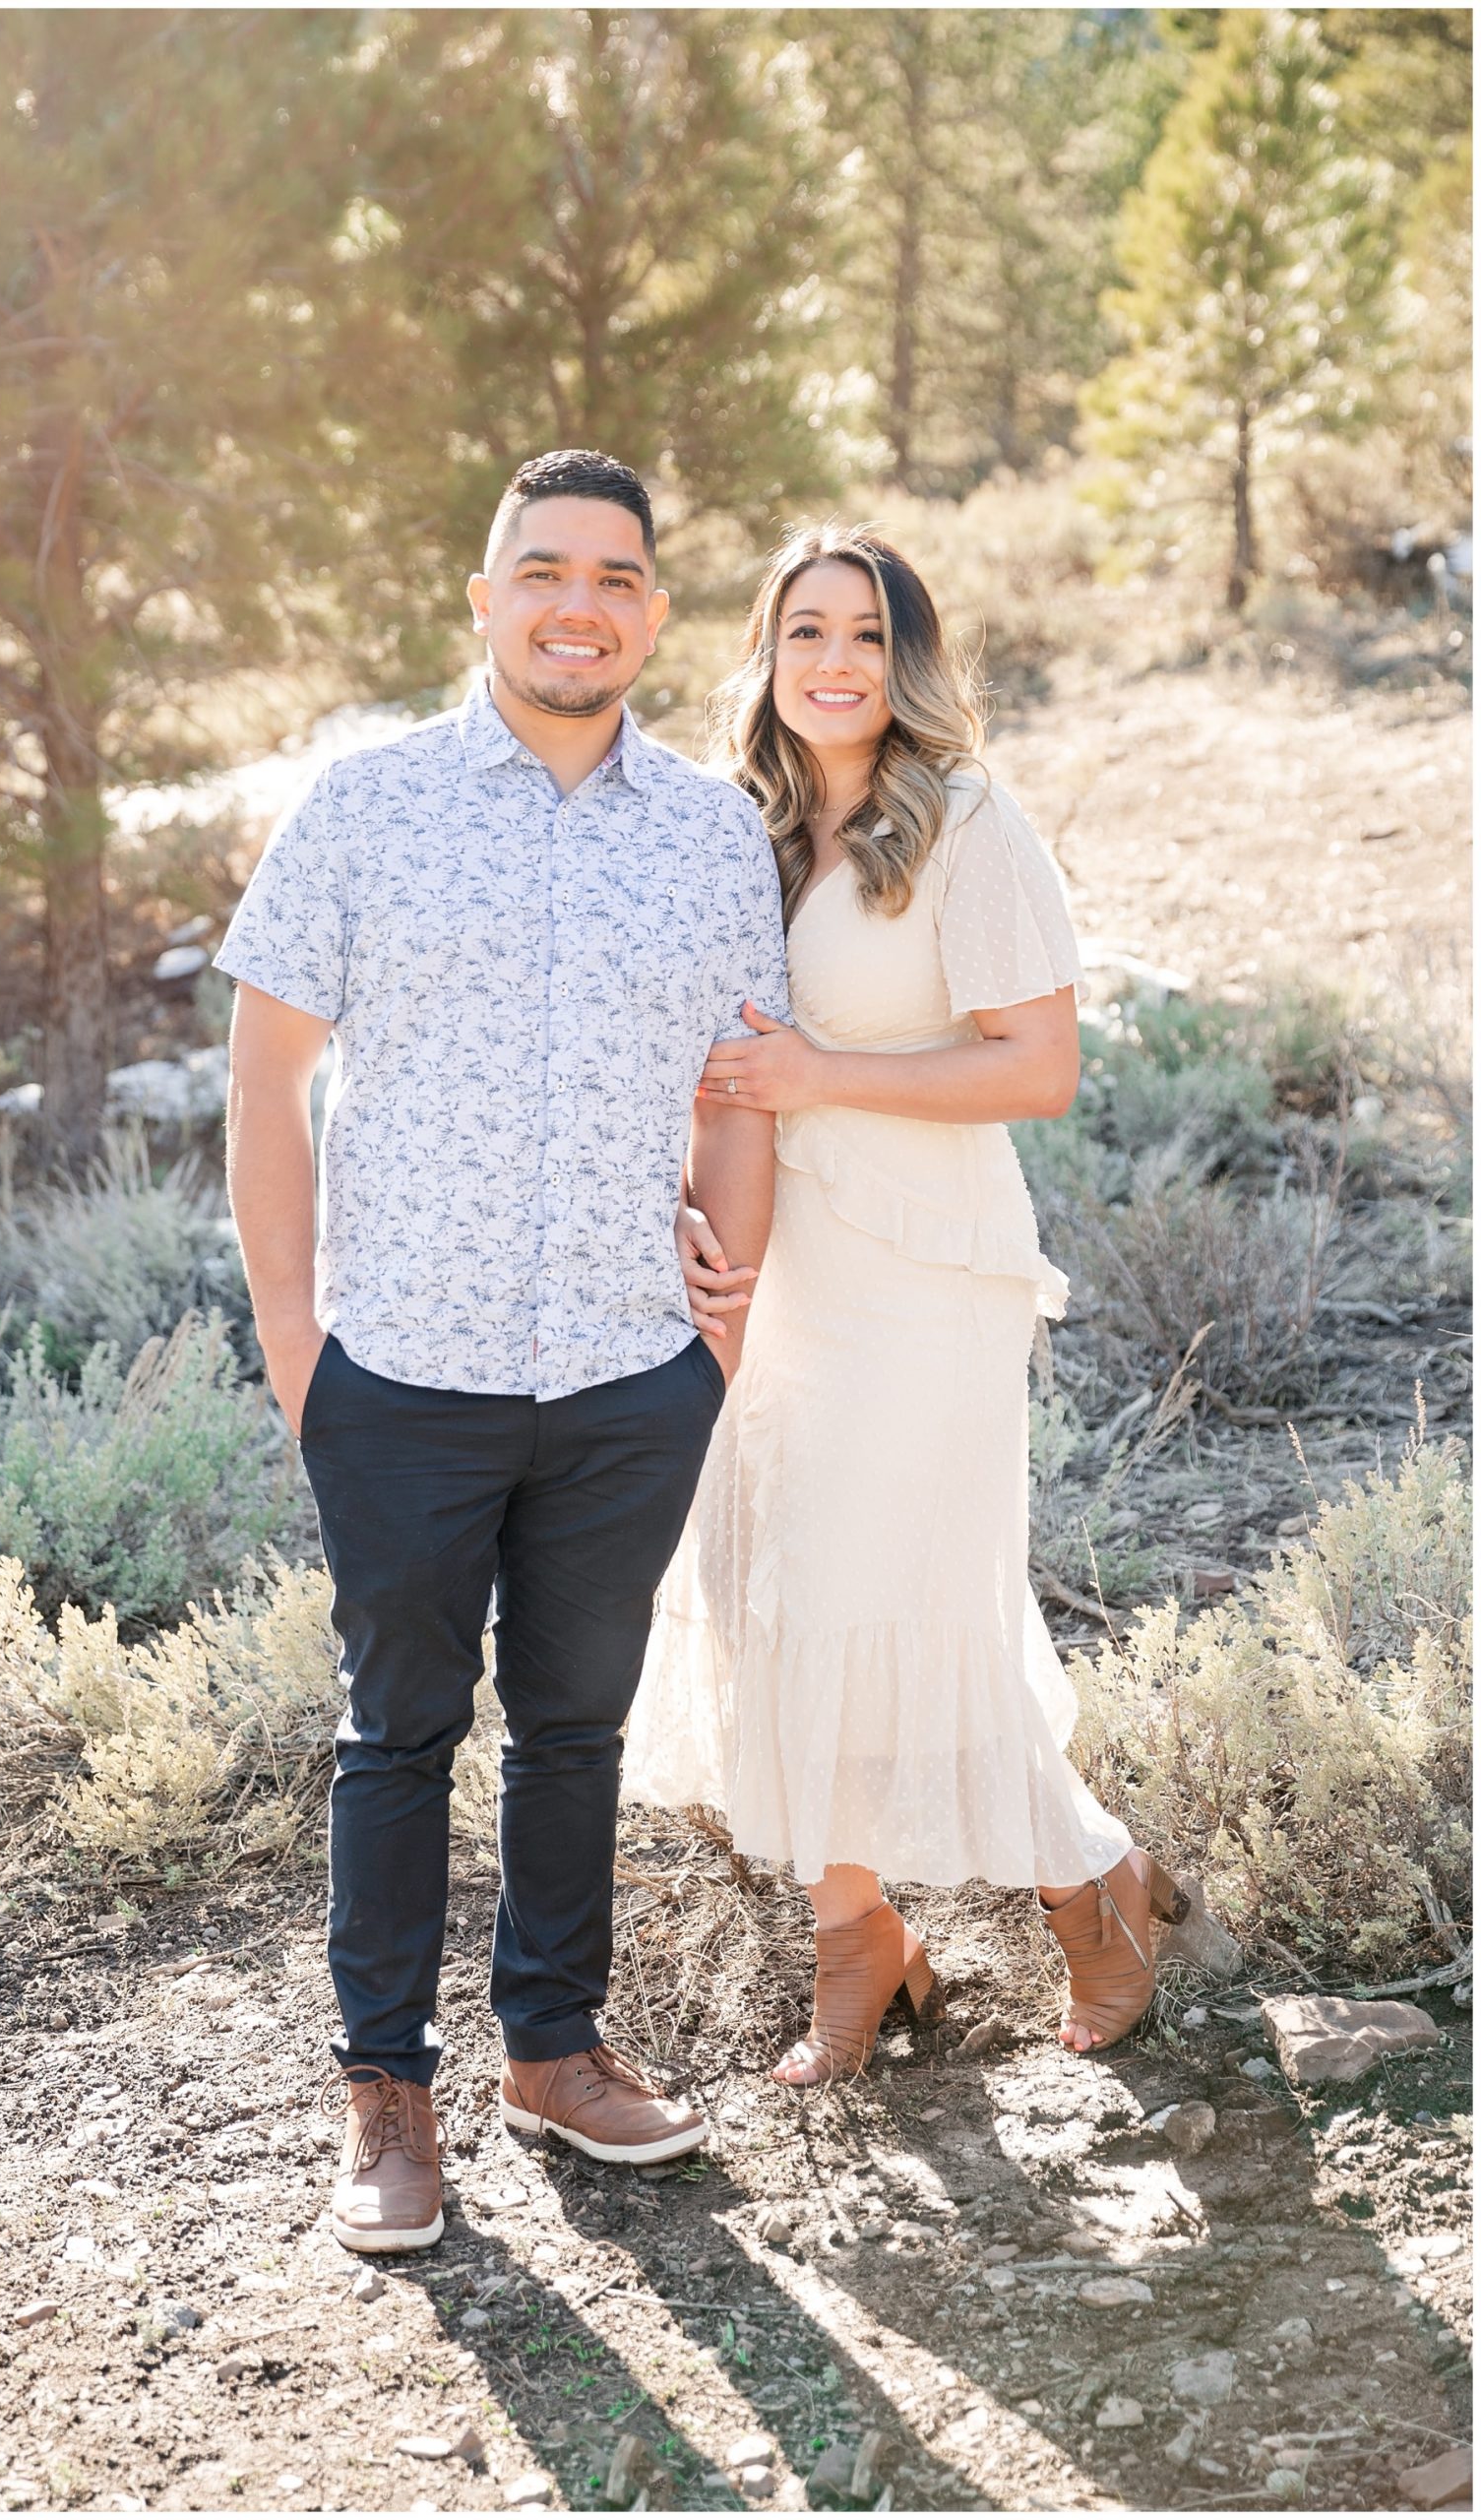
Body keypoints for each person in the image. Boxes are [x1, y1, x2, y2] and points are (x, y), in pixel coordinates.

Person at [216, 449, 786, 2249]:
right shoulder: (365, 806)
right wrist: (299, 1340)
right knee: (396, 1734)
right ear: (484, 600)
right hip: (401, 1369)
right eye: (543, 571)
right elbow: (265, 1079)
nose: (578, 604)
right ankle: (387, 2095)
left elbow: (742, 1074)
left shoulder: (706, 831)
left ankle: (555, 2048)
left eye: (616, 578)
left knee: (577, 1729)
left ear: (652, 617)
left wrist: (729, 1302)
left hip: (629, 1373)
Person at [628, 522, 1187, 2085]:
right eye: (806, 630)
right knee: (771, 1597)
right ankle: (859, 1937)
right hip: (777, 1270)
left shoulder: (966, 822)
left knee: (911, 1611)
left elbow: (1041, 1065)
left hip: (925, 1273)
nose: (835, 661)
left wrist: (827, 1074)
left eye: (867, 635)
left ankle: (1096, 1897)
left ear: (906, 661)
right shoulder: (739, 828)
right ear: (764, 653)